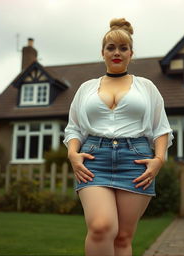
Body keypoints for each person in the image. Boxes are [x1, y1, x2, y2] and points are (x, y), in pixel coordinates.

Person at [64, 18, 173, 256]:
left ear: (131, 54)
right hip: (94, 160)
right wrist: (73, 153)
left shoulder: (146, 87)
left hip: (136, 161)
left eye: (123, 48)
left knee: (123, 237)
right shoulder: (86, 88)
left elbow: (161, 128)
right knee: (101, 227)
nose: (116, 53)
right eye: (111, 48)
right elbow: (73, 128)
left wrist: (159, 159)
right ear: (102, 52)